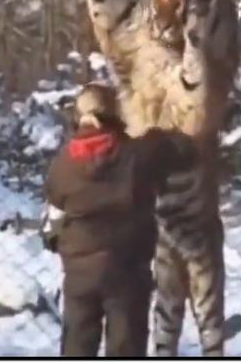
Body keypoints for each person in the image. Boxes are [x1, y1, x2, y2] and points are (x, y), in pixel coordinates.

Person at [41, 82, 197, 357]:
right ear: (114, 114)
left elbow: (52, 222)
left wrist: (56, 241)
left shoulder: (62, 165)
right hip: (127, 271)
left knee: (77, 342)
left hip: (80, 277)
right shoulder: (138, 155)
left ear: (79, 118)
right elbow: (181, 149)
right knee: (126, 345)